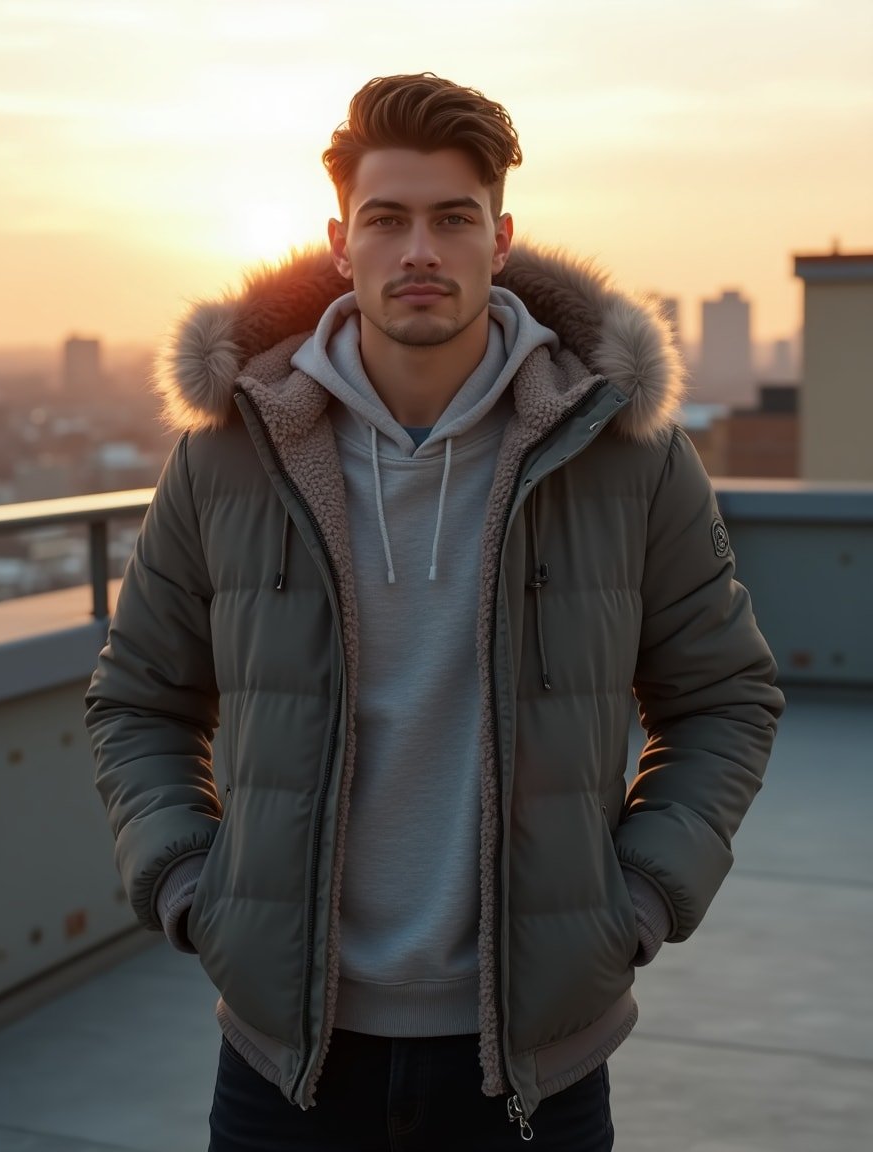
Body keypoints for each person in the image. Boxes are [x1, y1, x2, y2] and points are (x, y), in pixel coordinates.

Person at [86, 73, 784, 1151]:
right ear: (339, 241)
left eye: (452, 219)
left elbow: (724, 698)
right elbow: (137, 698)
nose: (420, 250)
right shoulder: (230, 457)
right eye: (388, 219)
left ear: (499, 238)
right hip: (286, 1062)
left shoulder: (621, 458)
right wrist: (188, 882)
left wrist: (640, 896)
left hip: (534, 1066)